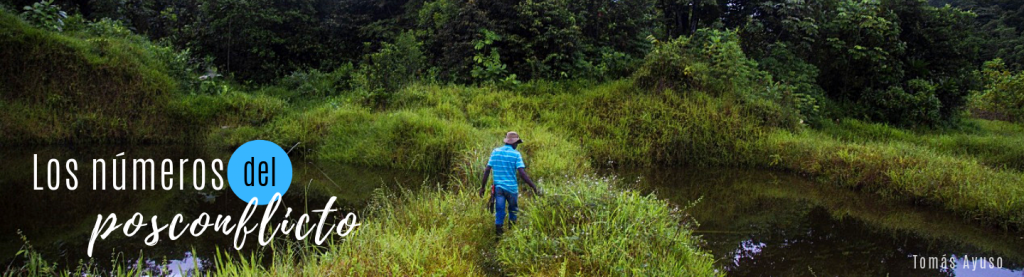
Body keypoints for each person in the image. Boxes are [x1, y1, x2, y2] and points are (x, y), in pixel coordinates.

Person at [479, 131, 541, 235]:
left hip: (498, 188)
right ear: (514, 143)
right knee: (513, 210)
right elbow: (522, 173)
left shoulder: (495, 152)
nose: (517, 145)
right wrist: (533, 186)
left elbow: (487, 170)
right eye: (517, 143)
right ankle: (512, 232)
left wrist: (483, 187)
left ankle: (499, 234)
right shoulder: (516, 154)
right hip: (512, 189)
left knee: (499, 210)